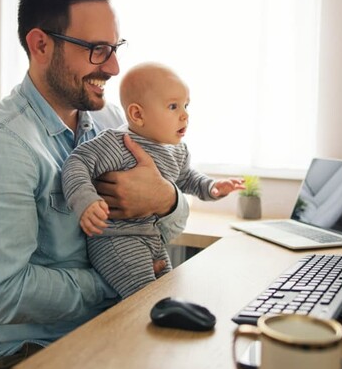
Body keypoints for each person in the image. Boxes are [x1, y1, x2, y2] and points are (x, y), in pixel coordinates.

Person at [0, 0, 190, 369]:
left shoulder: (115, 123)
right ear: (40, 44)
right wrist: (119, 277)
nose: (113, 68)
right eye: (96, 49)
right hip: (33, 353)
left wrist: (167, 200)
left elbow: (167, 221)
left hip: (115, 329)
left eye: (114, 48)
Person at [62, 62, 244, 298]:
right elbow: (76, 163)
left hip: (153, 239)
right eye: (173, 106)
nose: (185, 114)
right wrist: (85, 200)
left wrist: (212, 187)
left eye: (186, 105)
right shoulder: (117, 143)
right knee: (146, 299)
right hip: (116, 240)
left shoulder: (178, 150)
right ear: (137, 114)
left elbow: (187, 178)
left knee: (167, 291)